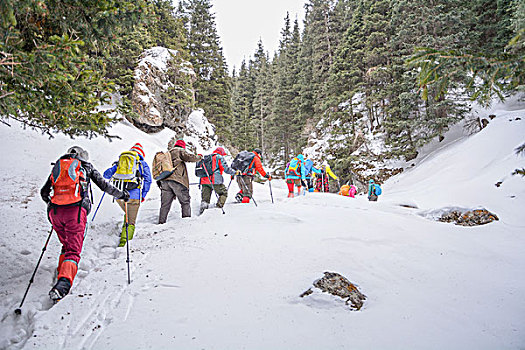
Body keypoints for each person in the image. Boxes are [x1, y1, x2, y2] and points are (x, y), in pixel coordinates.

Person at [40, 146, 129, 302]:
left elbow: (44, 192)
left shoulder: (59, 165)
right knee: (73, 250)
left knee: (66, 244)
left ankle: (62, 271)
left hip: (55, 213)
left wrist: (54, 204)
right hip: (75, 212)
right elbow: (105, 186)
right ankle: (63, 285)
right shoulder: (86, 166)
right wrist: (122, 194)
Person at [103, 143, 152, 247]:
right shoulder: (141, 163)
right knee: (131, 221)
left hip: (119, 196)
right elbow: (148, 180)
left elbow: (106, 175)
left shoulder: (121, 162)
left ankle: (124, 232)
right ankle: (124, 243)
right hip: (133, 196)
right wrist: (143, 195)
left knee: (128, 214)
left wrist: (116, 166)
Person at [158, 139, 202, 223]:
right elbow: (189, 157)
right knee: (185, 202)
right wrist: (199, 157)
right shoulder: (179, 150)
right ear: (182, 146)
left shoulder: (167, 153)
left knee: (165, 205)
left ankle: (161, 222)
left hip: (165, 180)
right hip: (177, 180)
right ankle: (186, 222)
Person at [199, 147, 235, 214]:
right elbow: (226, 169)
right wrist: (234, 172)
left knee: (205, 198)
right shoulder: (218, 157)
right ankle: (218, 209)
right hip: (215, 180)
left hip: (204, 180)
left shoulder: (207, 158)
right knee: (224, 193)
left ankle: (203, 209)